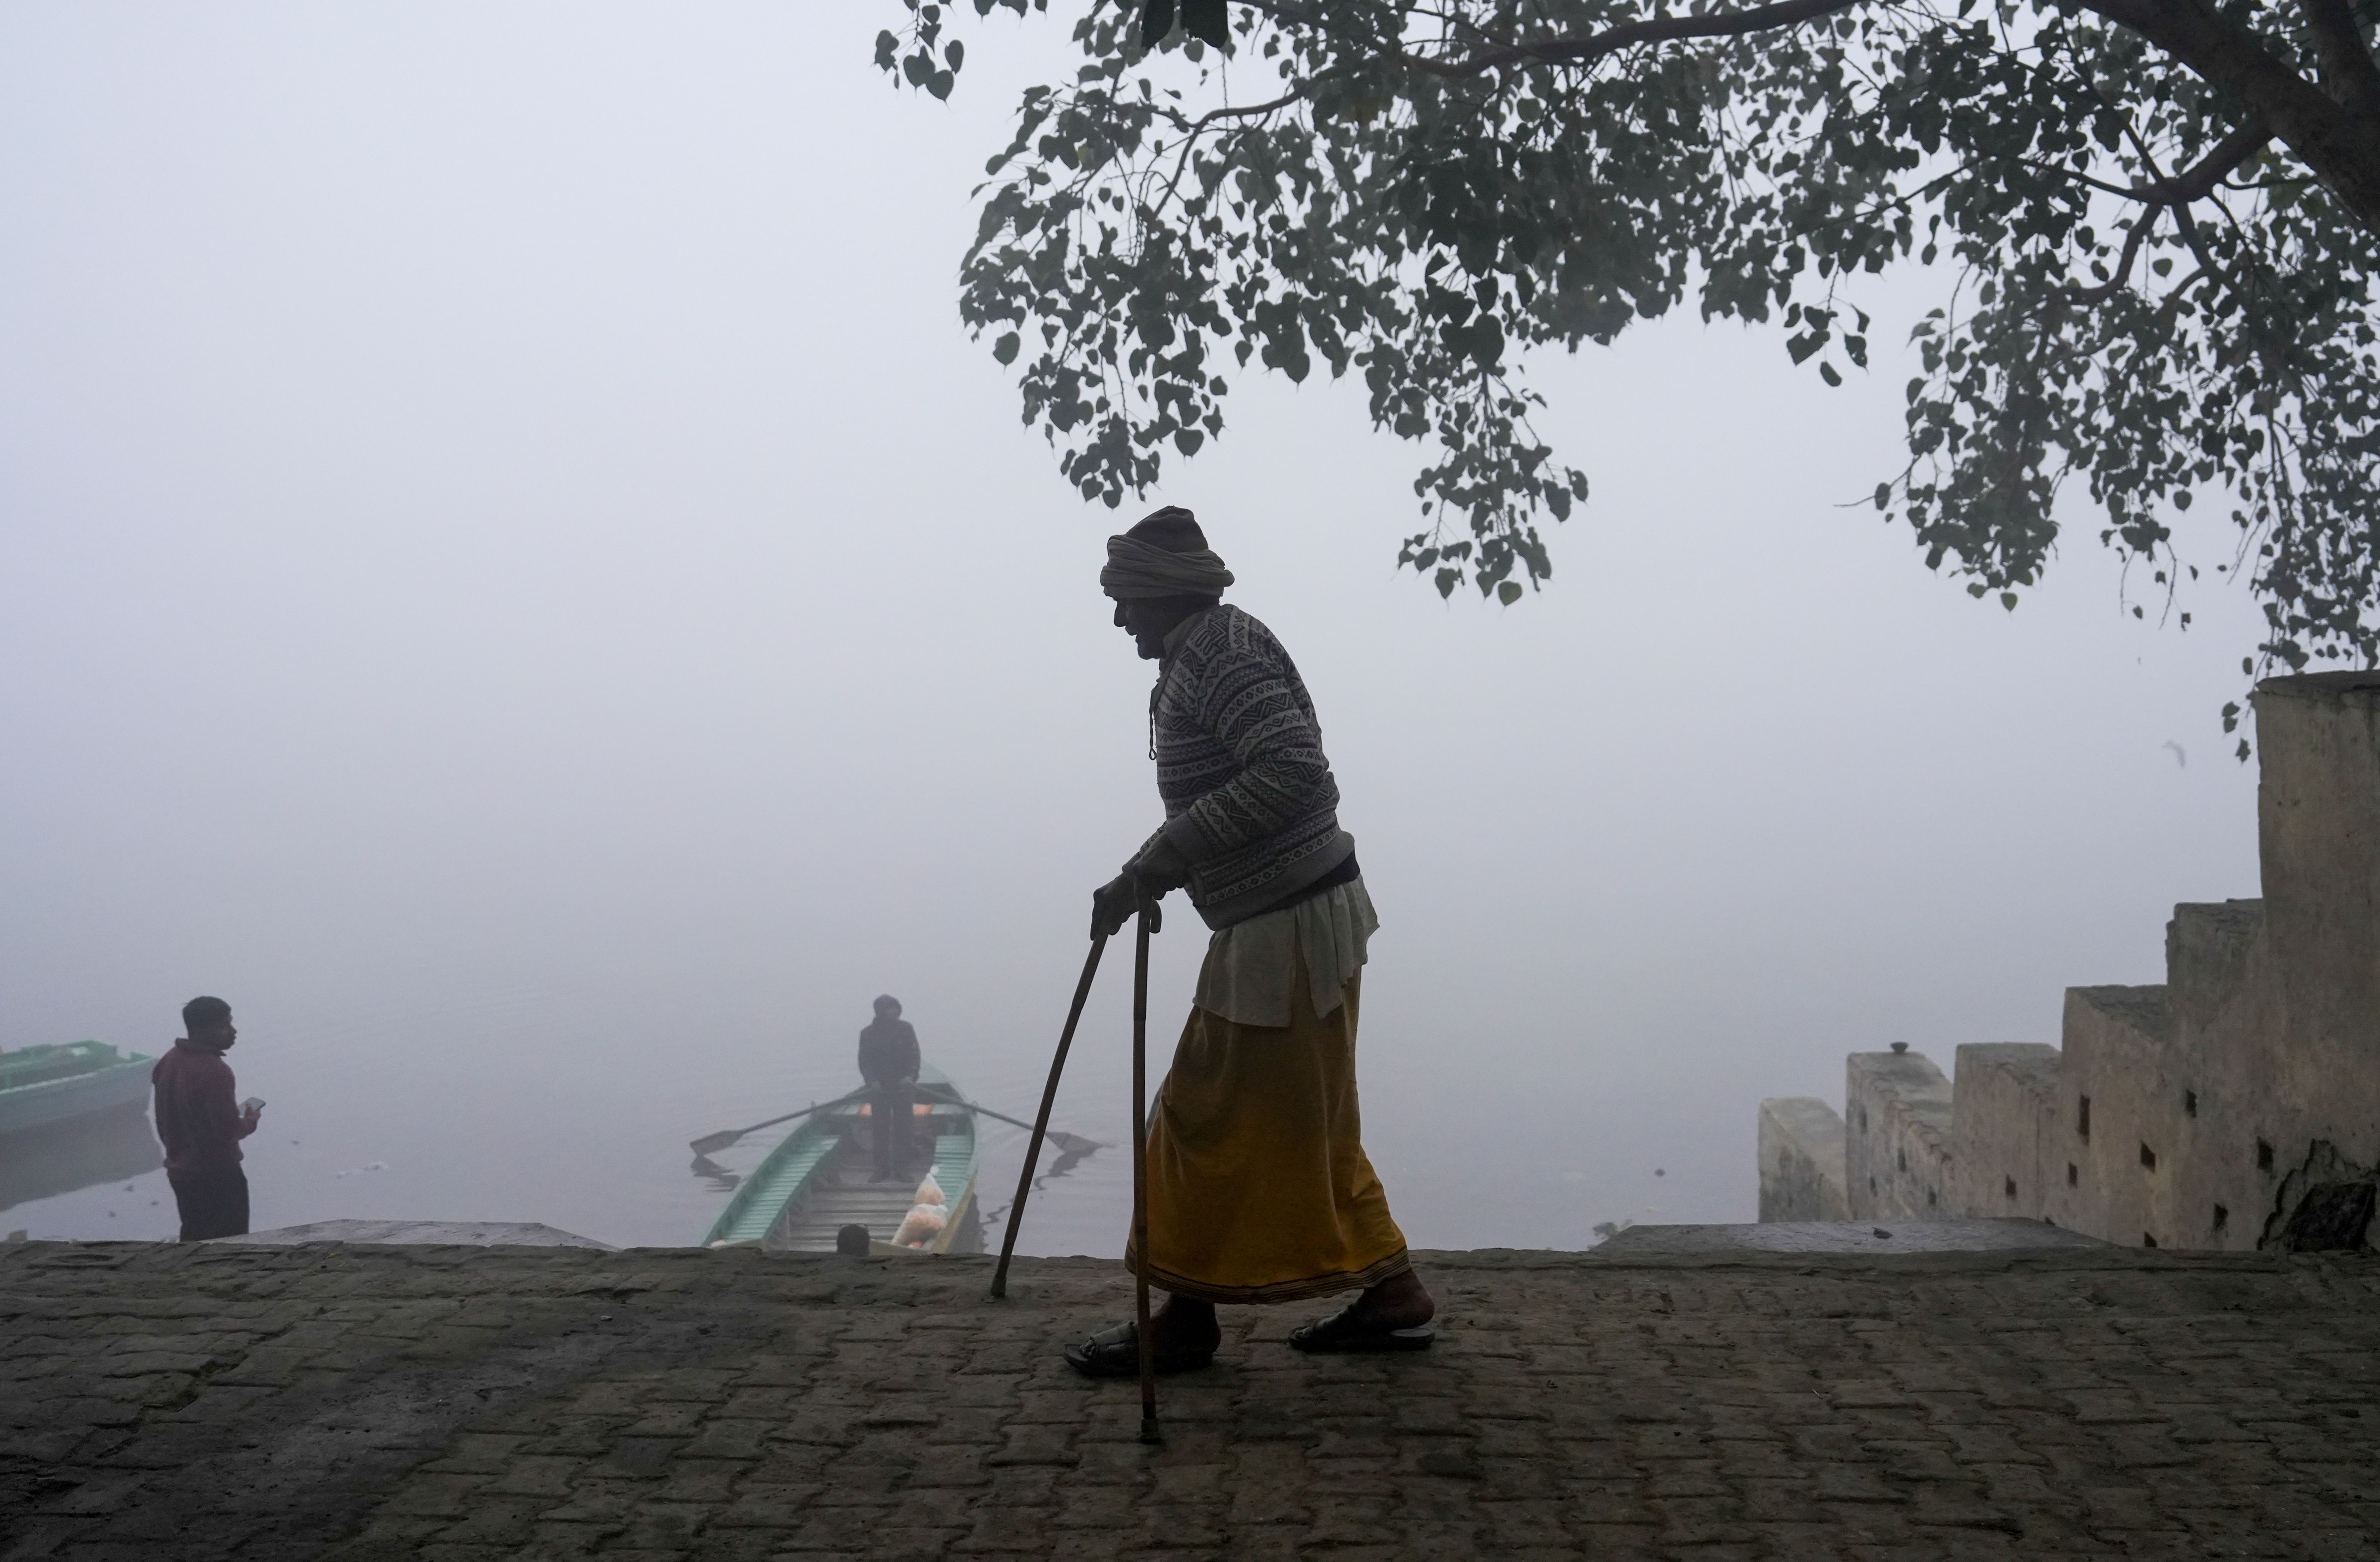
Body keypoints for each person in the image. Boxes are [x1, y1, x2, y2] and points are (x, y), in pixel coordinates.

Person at [1066, 507, 1436, 1378]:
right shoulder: (1204, 650)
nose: (1119, 618)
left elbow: (1295, 769)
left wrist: (1162, 859)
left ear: (1162, 593)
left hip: (1288, 926)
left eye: (1126, 599)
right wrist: (1149, 874)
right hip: (1288, 916)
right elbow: (1231, 794)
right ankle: (1393, 1291)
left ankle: (1185, 1317)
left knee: (1196, 1118)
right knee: (1310, 1118)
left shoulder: (1221, 653)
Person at [151, 996, 261, 1241]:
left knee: (195, 1237)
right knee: (231, 1242)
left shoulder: (168, 1062)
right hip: (217, 1175)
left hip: (181, 1172)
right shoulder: (215, 1071)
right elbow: (228, 1131)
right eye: (225, 1025)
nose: (233, 1031)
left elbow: (163, 1119)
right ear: (203, 1030)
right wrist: (250, 1120)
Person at [857, 994, 921, 1182]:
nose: (894, 1012)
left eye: (896, 1008)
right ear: (880, 1012)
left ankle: (902, 1169)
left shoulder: (906, 1029)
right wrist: (872, 1081)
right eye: (890, 1009)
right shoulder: (868, 1034)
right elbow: (864, 1061)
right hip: (880, 1090)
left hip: (903, 1088)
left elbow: (914, 1055)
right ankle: (881, 1169)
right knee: (880, 1129)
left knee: (904, 1128)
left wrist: (910, 1077)